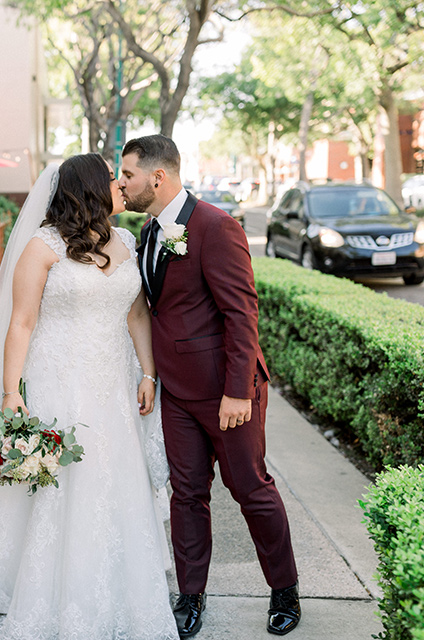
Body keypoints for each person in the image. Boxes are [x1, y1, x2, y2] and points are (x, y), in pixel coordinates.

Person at [0, 153, 178, 640]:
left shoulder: (126, 241)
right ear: (88, 189)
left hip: (113, 380)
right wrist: (12, 393)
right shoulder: (42, 246)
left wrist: (149, 373)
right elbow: (22, 323)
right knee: (63, 478)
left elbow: (137, 315)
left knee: (112, 477)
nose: (120, 185)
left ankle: (113, 570)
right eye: (111, 179)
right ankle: (41, 578)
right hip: (60, 379)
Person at [119, 135, 301, 637]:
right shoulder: (150, 233)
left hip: (229, 391)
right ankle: (191, 596)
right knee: (187, 494)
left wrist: (239, 390)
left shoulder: (216, 226)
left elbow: (242, 314)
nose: (122, 184)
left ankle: (284, 589)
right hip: (176, 393)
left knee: (250, 489)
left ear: (158, 178)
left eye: (128, 174)